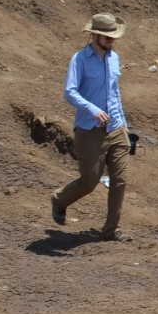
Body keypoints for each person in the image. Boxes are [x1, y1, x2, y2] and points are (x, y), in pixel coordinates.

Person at [50, 12, 133, 241]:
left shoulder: (114, 58)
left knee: (120, 180)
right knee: (90, 181)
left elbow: (115, 93)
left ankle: (110, 230)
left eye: (113, 37)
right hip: (89, 129)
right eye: (107, 37)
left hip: (116, 127)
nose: (111, 41)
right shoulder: (80, 60)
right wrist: (93, 110)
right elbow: (70, 92)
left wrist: (123, 123)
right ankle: (59, 199)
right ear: (95, 36)